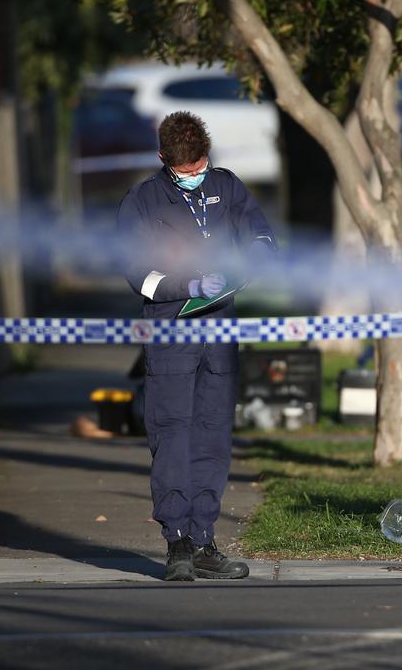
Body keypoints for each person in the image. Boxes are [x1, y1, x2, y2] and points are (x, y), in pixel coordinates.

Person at [117, 111, 276, 581]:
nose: (194, 176)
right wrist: (185, 283)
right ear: (164, 160)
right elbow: (135, 272)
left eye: (200, 166)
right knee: (173, 434)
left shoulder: (227, 186)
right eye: (184, 171)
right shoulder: (143, 200)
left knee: (213, 435)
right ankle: (177, 543)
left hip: (220, 333)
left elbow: (259, 229)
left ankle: (206, 539)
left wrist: (262, 251)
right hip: (172, 332)